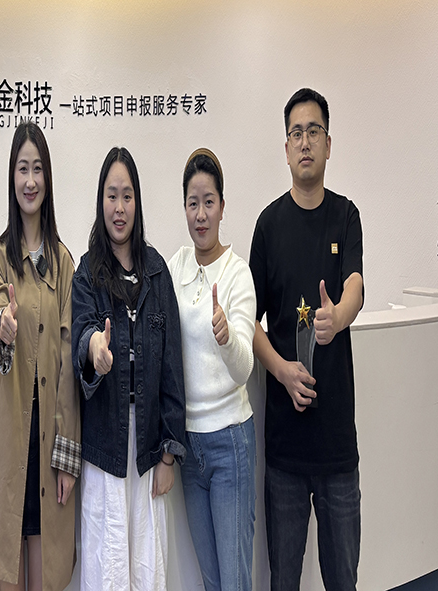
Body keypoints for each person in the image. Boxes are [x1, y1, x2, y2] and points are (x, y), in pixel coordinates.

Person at [250, 88, 364, 591]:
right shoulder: (269, 225)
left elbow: (356, 284)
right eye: (295, 133)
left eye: (313, 131)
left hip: (337, 446)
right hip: (285, 452)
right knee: (284, 582)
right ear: (286, 146)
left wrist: (337, 317)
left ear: (328, 143)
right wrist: (281, 370)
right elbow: (248, 321)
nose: (304, 142)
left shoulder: (346, 215)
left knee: (343, 580)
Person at [0, 122, 81, 591]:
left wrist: (67, 456)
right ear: (11, 178)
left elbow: (70, 362)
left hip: (49, 444)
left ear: (47, 178)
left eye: (37, 169)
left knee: (46, 574)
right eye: (22, 169)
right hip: (10, 443)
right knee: (9, 576)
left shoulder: (65, 262)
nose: (30, 180)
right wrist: (3, 326)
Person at [72, 146, 186, 591]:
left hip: (148, 449)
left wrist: (169, 454)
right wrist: (95, 350)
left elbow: (172, 367)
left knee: (146, 567)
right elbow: (82, 333)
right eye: (111, 196)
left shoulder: (157, 272)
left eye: (127, 196)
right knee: (108, 566)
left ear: (137, 202)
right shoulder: (87, 272)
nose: (119, 208)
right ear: (100, 202)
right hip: (105, 446)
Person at [168, 148, 257, 591]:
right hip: (189, 446)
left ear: (222, 206)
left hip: (229, 443)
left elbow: (244, 369)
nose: (200, 214)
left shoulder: (238, 274)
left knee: (235, 581)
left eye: (208, 202)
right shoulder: (176, 266)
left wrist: (226, 337)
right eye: (192, 203)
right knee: (210, 580)